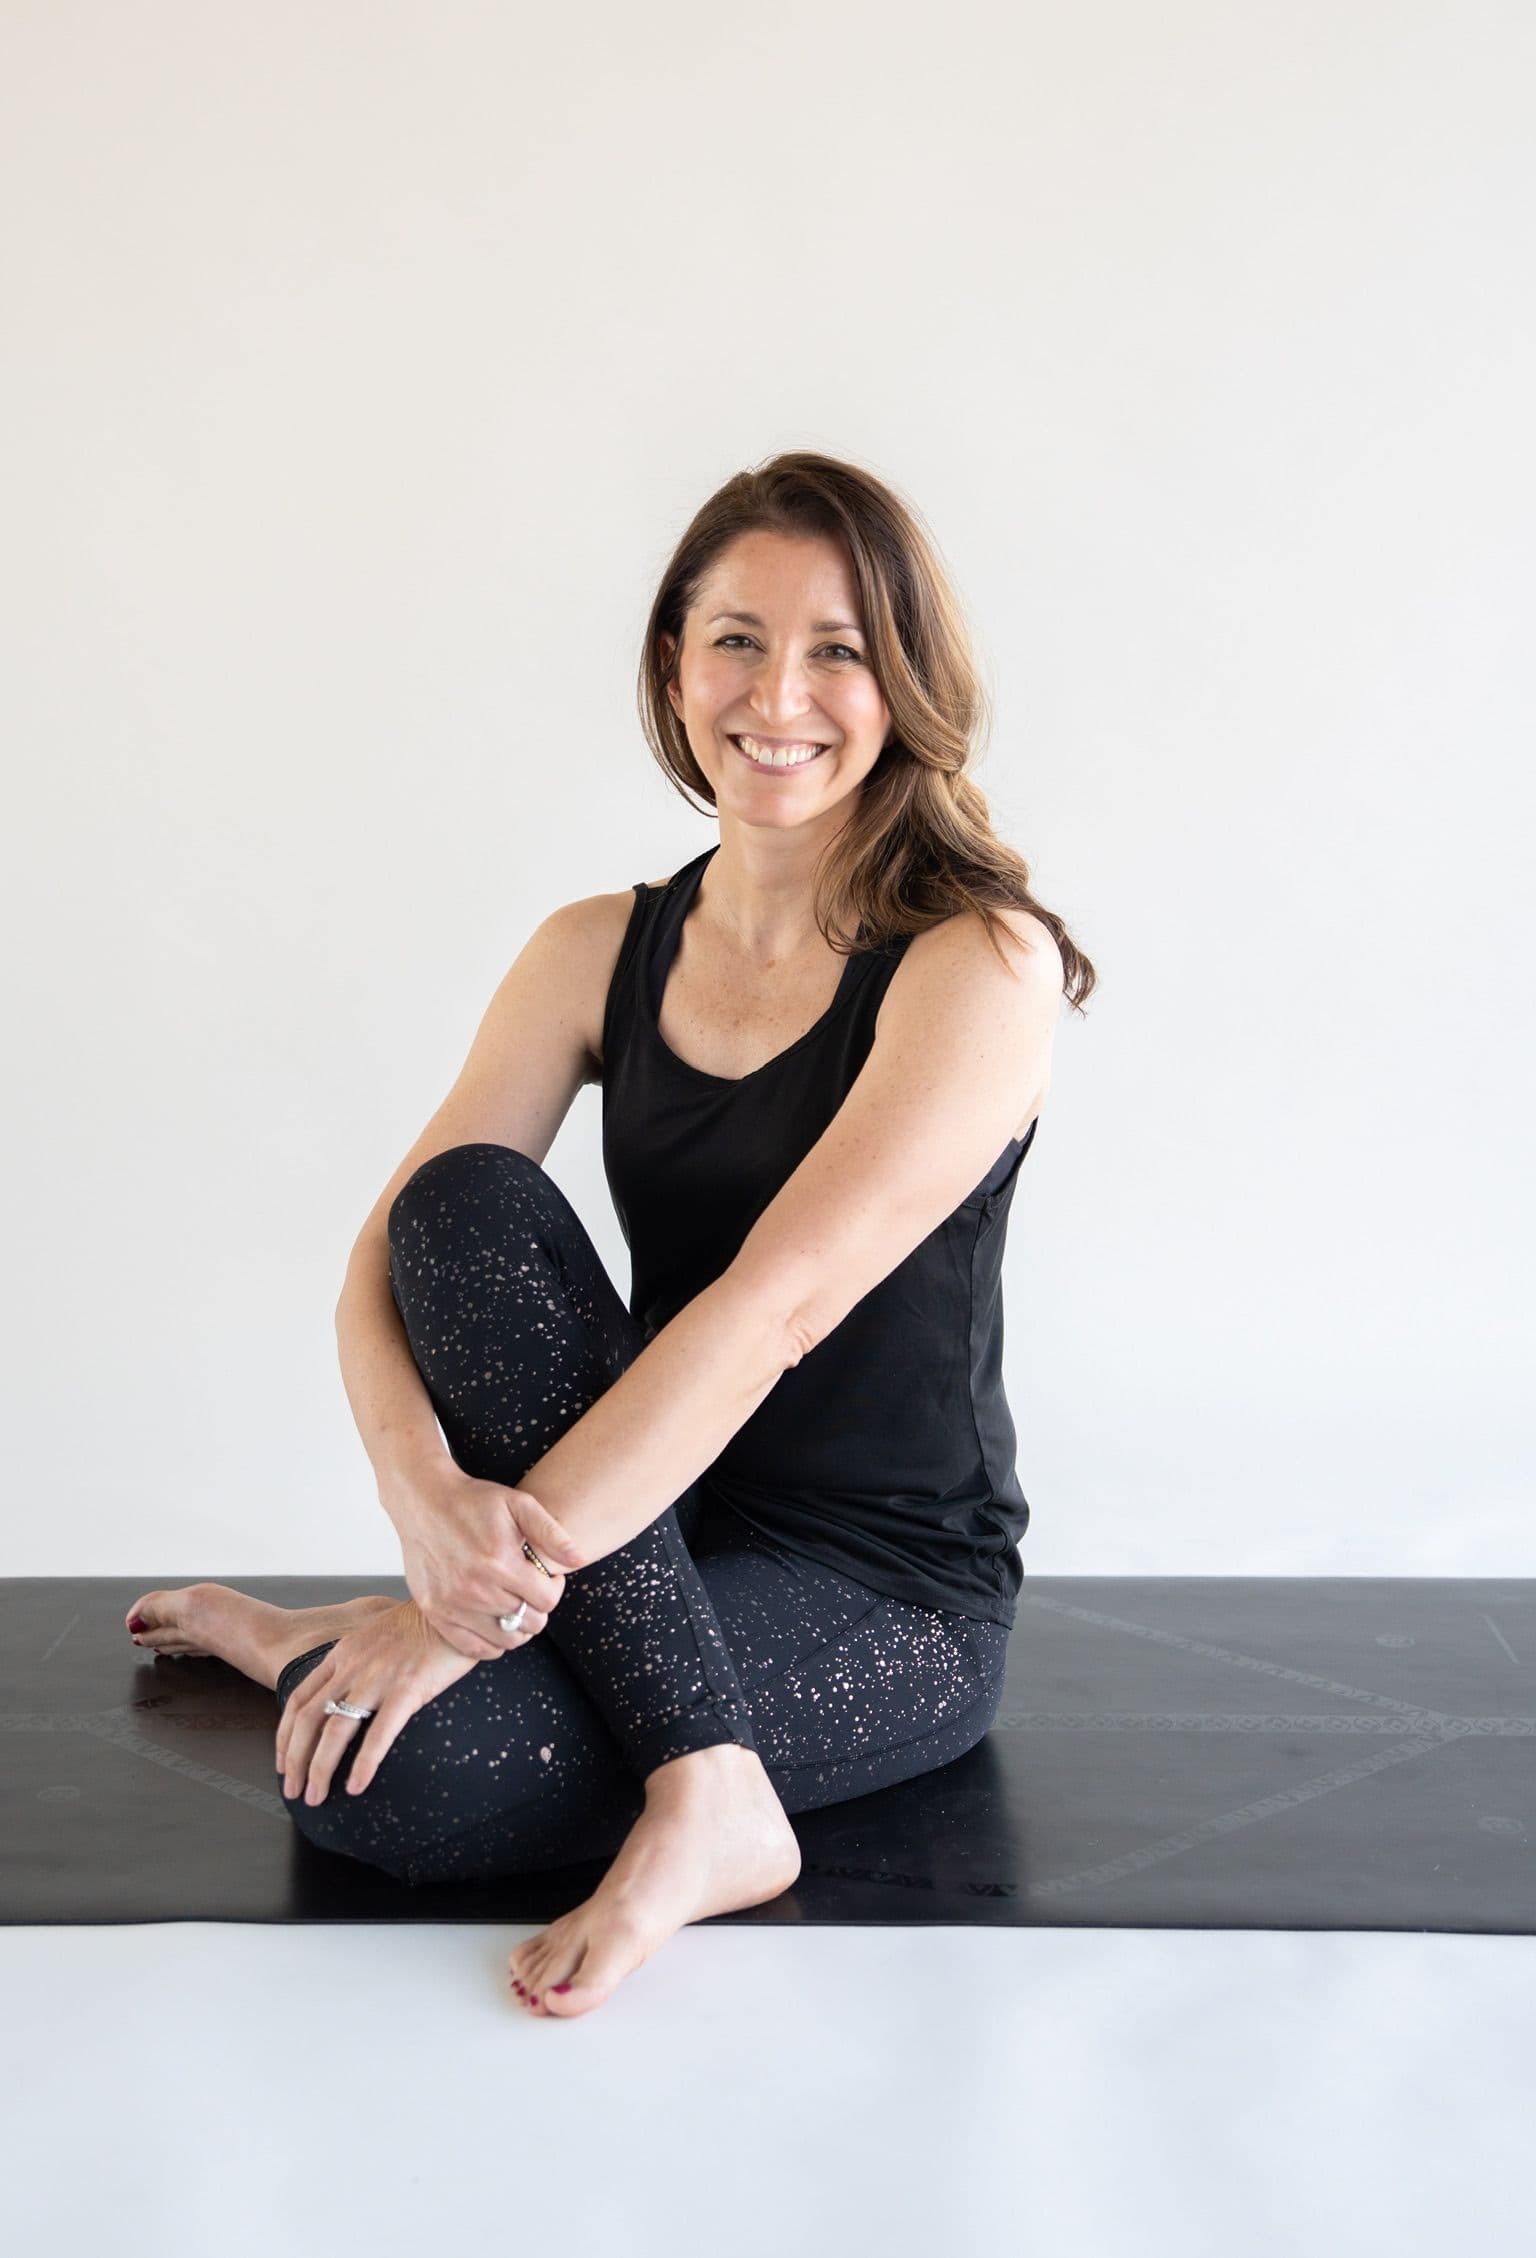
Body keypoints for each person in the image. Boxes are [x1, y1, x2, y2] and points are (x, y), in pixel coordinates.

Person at [124, 449, 1096, 2019]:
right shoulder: (596, 947)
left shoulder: (977, 964)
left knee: (392, 1782)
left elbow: (769, 1310)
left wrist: (477, 1613)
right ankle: (634, 1741)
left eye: (840, 648)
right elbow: (388, 1255)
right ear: (673, 659)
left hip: (888, 1590)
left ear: (901, 679)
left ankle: (711, 1793)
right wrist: (426, 1506)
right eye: (737, 637)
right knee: (463, 1206)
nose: (780, 690)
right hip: (646, 1534)